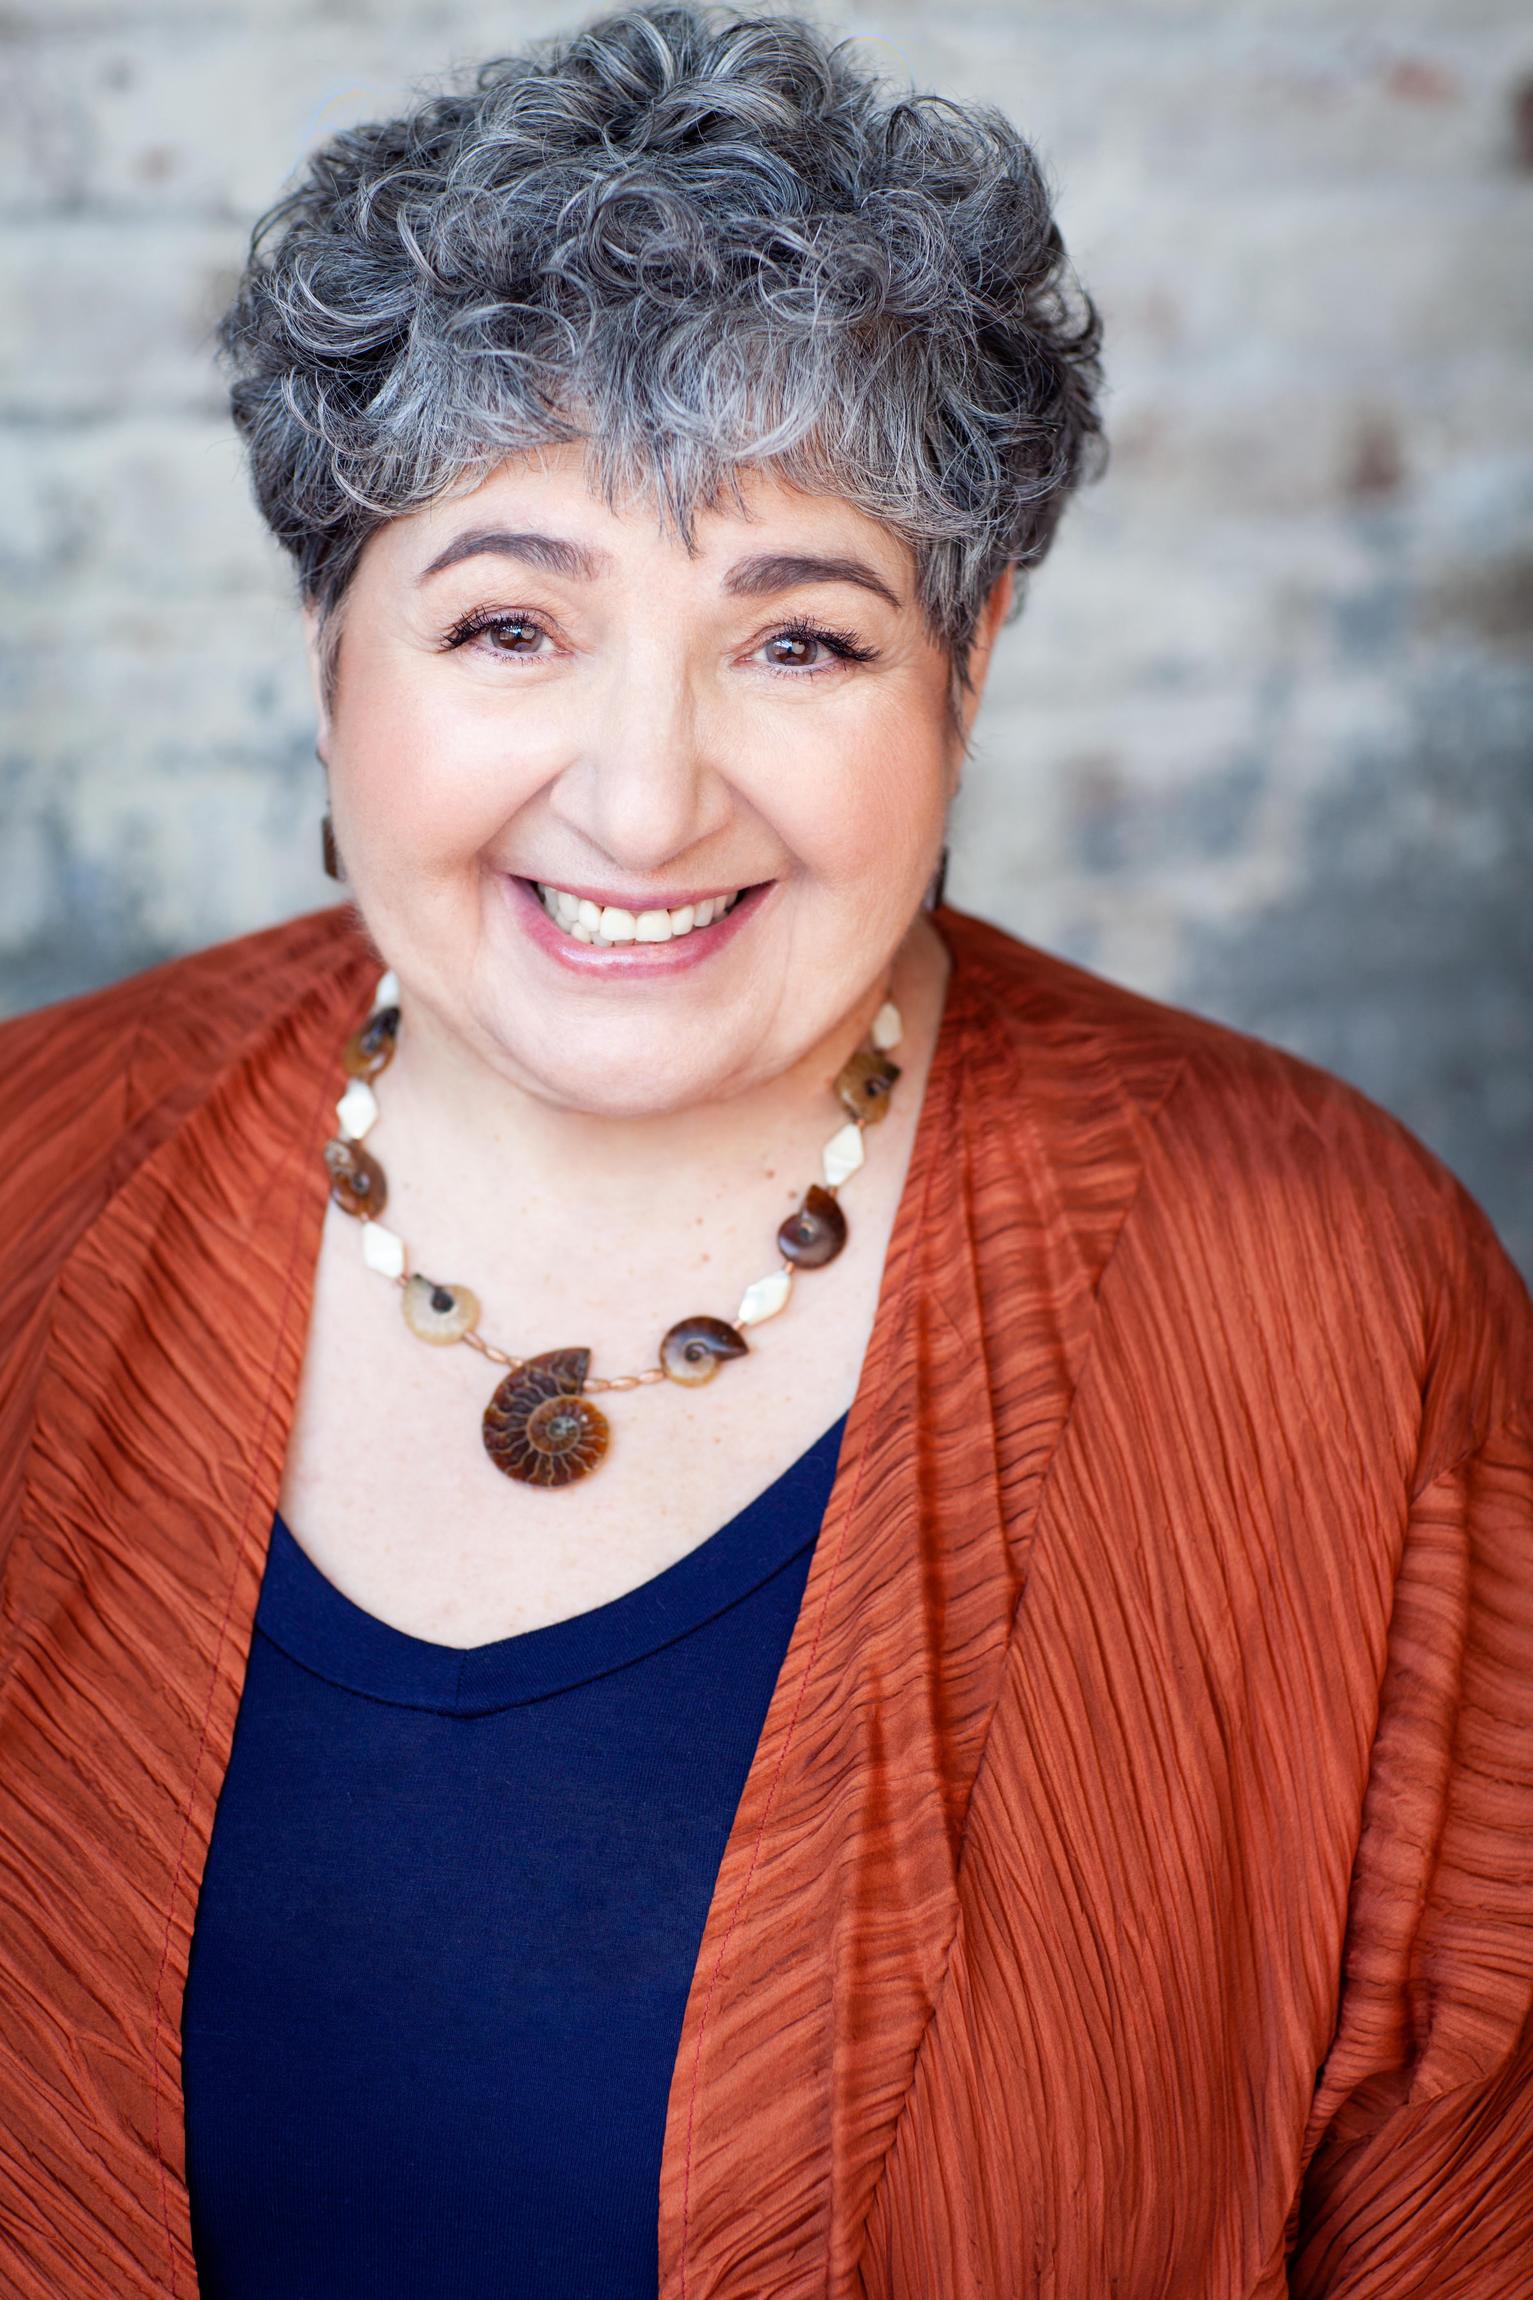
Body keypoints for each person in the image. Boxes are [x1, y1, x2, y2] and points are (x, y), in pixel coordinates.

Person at [2, 6, 1530, 2295]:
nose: (642, 801)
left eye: (797, 643)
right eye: (508, 623)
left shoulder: (1320, 1300)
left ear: (967, 660)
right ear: (329, 647)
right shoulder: (28, 1186)